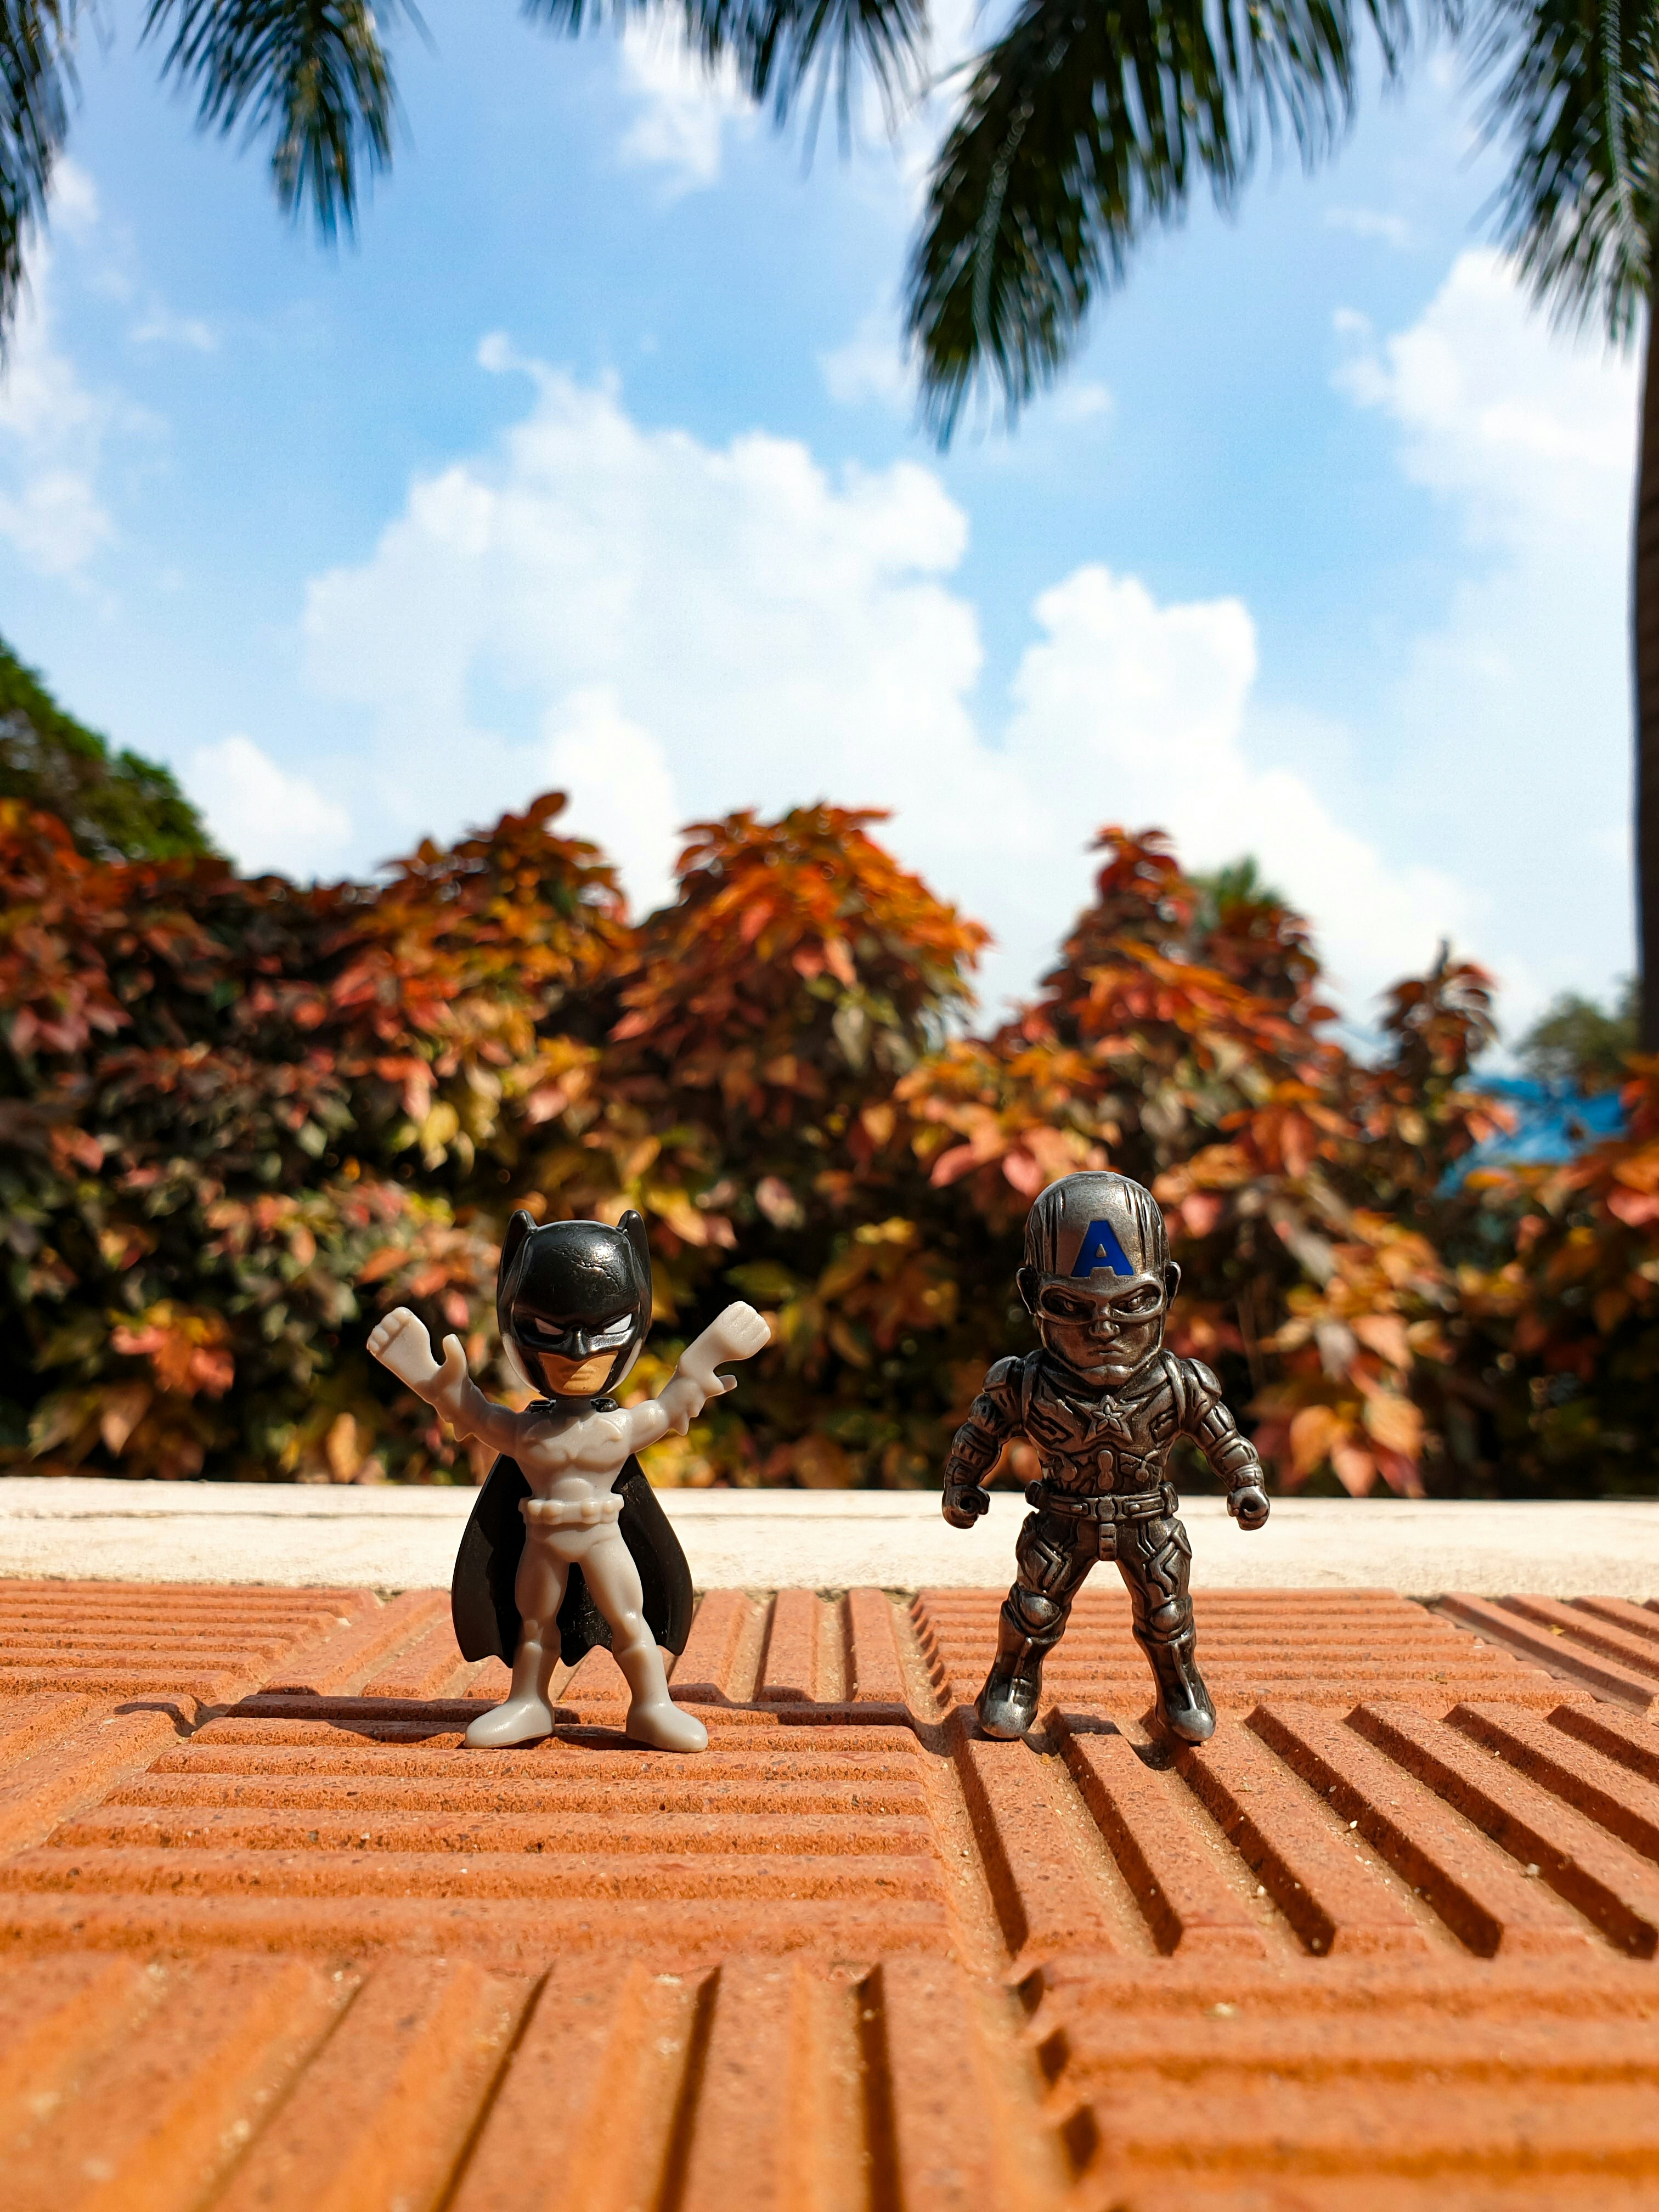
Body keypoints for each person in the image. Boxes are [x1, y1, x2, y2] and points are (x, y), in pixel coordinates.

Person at [941, 1171, 1269, 1743]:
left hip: (1148, 1520)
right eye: (1070, 1306)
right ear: (1031, 1295)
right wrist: (962, 1482)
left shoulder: (1180, 1382)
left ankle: (1180, 1686)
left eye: (1133, 1303)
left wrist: (1245, 1481)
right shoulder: (1024, 1383)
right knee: (1034, 1611)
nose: (1104, 1328)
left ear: (1166, 1289)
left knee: (1168, 1615)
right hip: (1062, 1519)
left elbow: (1225, 1439)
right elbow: (980, 1433)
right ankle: (1011, 1682)